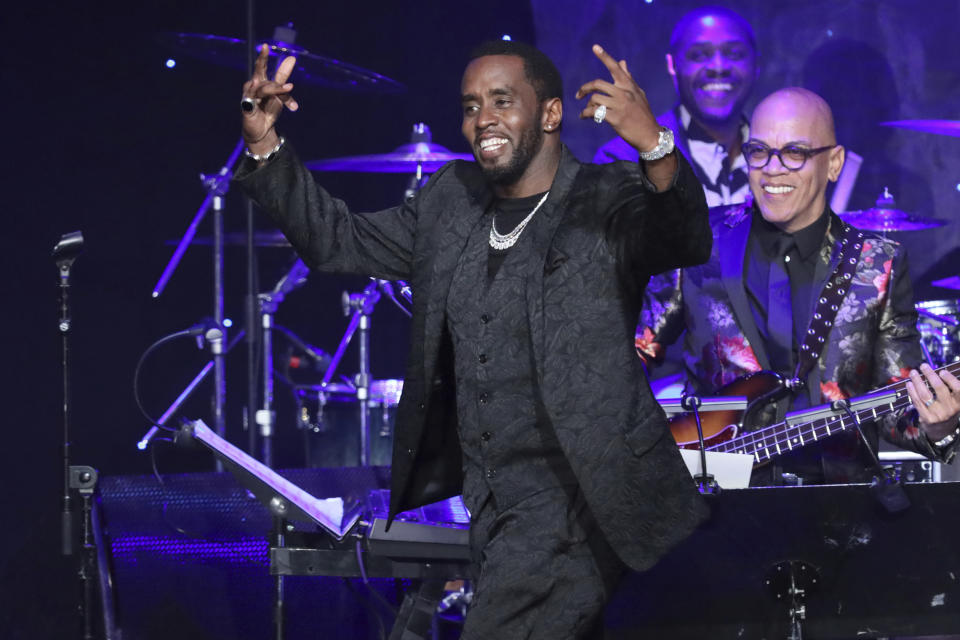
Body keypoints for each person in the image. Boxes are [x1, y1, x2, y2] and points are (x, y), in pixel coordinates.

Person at [235, 39, 711, 637]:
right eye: (470, 106)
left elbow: (684, 239)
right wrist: (264, 143)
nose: (482, 118)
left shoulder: (605, 198)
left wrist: (655, 145)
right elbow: (339, 241)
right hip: (490, 505)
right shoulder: (450, 204)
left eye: (502, 101)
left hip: (584, 497)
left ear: (550, 114)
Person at [637, 87, 960, 486]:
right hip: (715, 505)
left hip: (838, 510)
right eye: (758, 151)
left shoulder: (878, 263)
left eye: (795, 152)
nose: (773, 168)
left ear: (834, 163)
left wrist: (937, 426)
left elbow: (896, 405)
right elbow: (633, 349)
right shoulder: (699, 241)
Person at [594, 5, 757, 208]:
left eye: (734, 54)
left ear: (756, 64)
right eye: (699, 55)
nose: (718, 67)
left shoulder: (785, 154)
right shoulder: (623, 158)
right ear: (673, 65)